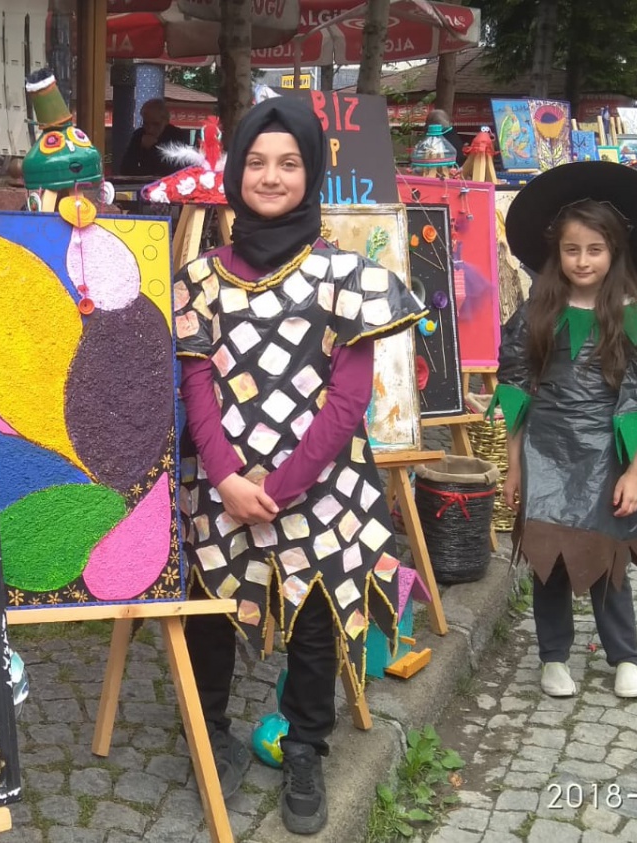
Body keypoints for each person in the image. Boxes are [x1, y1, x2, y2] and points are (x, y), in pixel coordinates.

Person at [174, 97, 426, 835]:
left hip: (320, 489)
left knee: (316, 618)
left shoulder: (348, 276)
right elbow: (196, 385)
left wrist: (281, 488)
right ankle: (208, 730)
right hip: (220, 482)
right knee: (211, 609)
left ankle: (307, 743)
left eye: (288, 163)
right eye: (255, 161)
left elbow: (348, 401)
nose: (270, 176)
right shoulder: (198, 278)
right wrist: (227, 479)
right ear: (234, 173)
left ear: (310, 172)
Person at [492, 162, 637, 700]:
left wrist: (635, 473)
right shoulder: (536, 314)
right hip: (545, 447)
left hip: (606, 450)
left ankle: (626, 655)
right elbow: (516, 391)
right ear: (557, 252)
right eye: (572, 250)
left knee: (607, 557)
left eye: (595, 250)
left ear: (614, 252)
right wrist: (514, 465)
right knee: (548, 559)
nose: (582, 260)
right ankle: (553, 655)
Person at [116, 98, 194, 178]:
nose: (150, 129)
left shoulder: (177, 136)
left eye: (156, 124)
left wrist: (153, 148)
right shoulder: (139, 135)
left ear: (165, 121)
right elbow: (125, 169)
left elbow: (174, 169)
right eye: (146, 124)